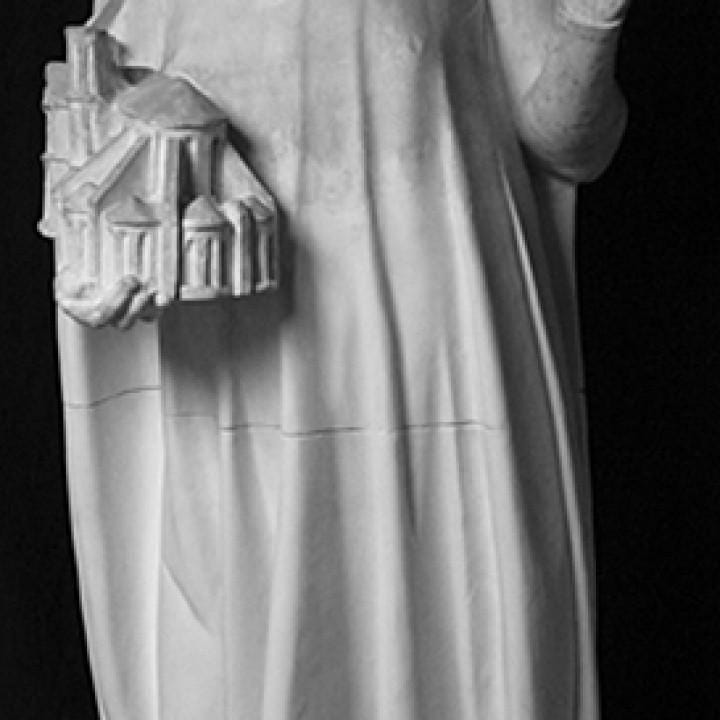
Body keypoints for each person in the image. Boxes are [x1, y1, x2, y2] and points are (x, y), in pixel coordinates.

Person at [51, 0, 630, 718]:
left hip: (433, 333)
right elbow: (100, 106)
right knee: (242, 643)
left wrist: (591, 21)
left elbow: (569, 141)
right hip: (233, 347)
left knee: (449, 633)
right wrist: (101, 244)